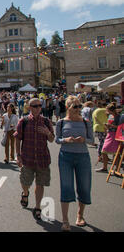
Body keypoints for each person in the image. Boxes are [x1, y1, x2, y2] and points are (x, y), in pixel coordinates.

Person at [55, 96, 93, 232]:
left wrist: (84, 139)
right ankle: (65, 220)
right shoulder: (61, 122)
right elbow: (57, 140)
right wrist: (66, 139)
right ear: (67, 108)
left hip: (83, 157)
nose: (78, 109)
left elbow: (91, 140)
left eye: (79, 106)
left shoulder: (86, 122)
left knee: (84, 187)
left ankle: (80, 215)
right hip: (65, 157)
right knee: (66, 186)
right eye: (75, 106)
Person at [15, 98, 55, 221]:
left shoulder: (46, 122)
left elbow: (52, 139)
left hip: (42, 158)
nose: (38, 108)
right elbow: (18, 138)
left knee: (40, 184)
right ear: (29, 108)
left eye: (39, 106)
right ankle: (25, 193)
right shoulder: (24, 121)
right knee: (25, 182)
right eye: (35, 106)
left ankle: (38, 207)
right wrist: (18, 155)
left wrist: (48, 133)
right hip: (28, 158)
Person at [97, 103, 122, 172]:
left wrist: (111, 126)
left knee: (115, 153)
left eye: (107, 110)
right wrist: (107, 127)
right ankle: (105, 168)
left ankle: (117, 169)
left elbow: (120, 127)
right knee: (104, 151)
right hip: (110, 134)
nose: (106, 112)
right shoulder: (110, 116)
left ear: (111, 110)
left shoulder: (119, 117)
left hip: (115, 135)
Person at [93, 101, 108, 165]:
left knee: (100, 142)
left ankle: (101, 155)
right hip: (103, 127)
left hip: (97, 127)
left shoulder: (95, 110)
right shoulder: (104, 110)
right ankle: (102, 155)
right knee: (102, 143)